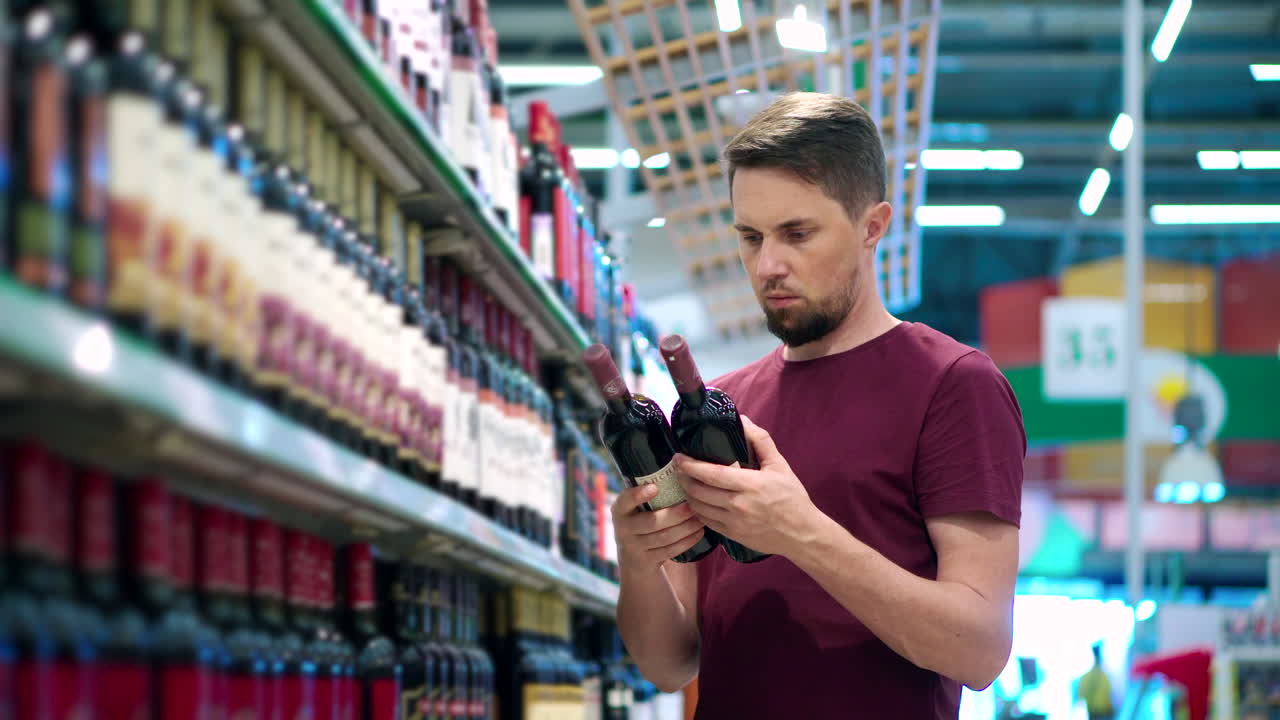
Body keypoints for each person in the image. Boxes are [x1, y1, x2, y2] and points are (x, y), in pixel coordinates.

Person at [610, 92, 1026, 719]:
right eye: (750, 237)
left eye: (797, 233)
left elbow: (979, 650)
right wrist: (639, 560)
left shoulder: (954, 386)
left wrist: (801, 534)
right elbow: (670, 663)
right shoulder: (722, 407)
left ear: (872, 225)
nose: (768, 265)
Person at [1077, 644, 1116, 720]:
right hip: (1103, 712)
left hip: (1091, 711)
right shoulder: (1104, 676)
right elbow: (1109, 695)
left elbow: (1081, 696)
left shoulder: (1085, 677)